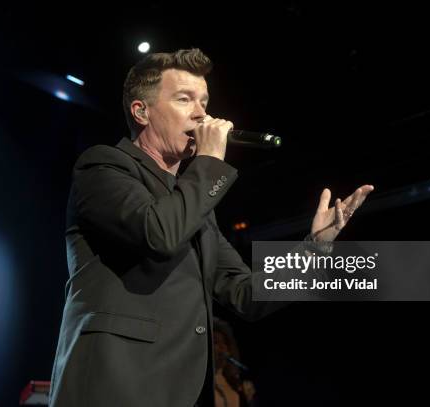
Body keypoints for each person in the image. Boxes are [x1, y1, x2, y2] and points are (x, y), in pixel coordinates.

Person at [49, 48, 374, 407]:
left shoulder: (194, 203)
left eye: (204, 100)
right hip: (116, 387)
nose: (202, 113)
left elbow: (246, 294)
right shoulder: (103, 167)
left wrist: (314, 249)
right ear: (141, 111)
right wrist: (208, 162)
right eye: (184, 99)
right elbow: (158, 233)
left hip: (181, 393)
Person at [213, 318, 257, 407]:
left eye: (225, 343)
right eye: (215, 342)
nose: (223, 347)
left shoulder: (236, 384)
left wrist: (249, 400)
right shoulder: (197, 383)